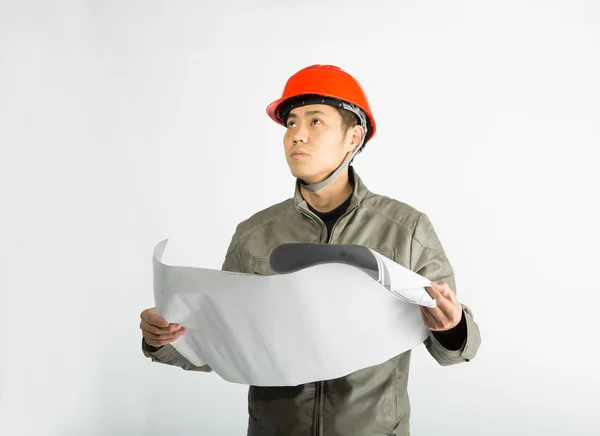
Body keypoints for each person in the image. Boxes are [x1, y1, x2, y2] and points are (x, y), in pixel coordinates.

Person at [140, 64, 481, 436]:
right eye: (290, 124)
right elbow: (220, 346)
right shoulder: (253, 235)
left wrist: (452, 326)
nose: (296, 136)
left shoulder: (406, 228)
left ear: (353, 137)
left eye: (315, 121)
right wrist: (162, 339)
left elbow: (458, 350)